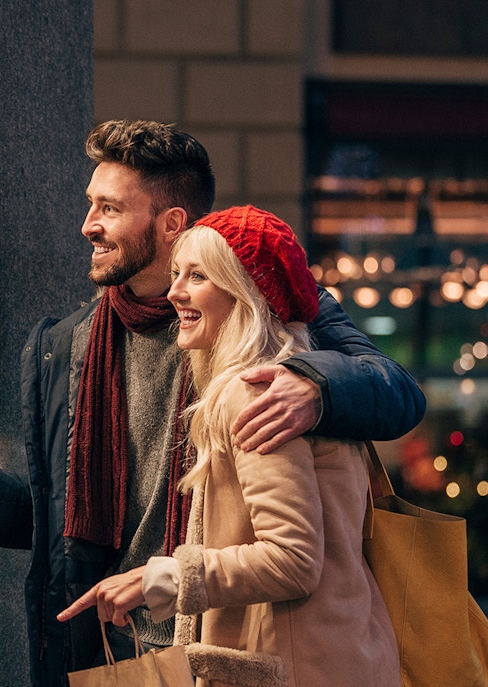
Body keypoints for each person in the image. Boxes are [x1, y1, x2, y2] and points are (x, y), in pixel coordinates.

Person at [0, 120, 422, 687]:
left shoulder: (268, 312)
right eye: (91, 205)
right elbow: (66, 523)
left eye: (109, 209)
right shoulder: (66, 346)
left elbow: (397, 390)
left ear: (170, 223)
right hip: (117, 647)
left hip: (230, 644)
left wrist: (313, 383)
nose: (88, 226)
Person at [59, 205, 399, 686]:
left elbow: (293, 560)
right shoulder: (299, 380)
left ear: (244, 292)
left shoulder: (255, 391)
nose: (175, 292)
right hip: (334, 654)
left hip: (295, 668)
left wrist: (158, 578)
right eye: (177, 274)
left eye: (196, 276)